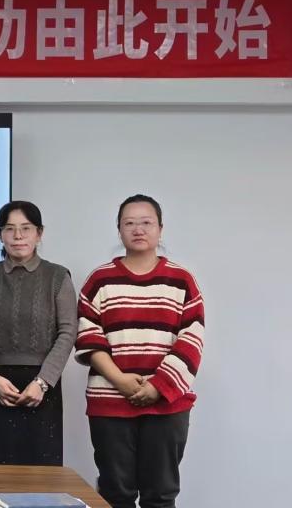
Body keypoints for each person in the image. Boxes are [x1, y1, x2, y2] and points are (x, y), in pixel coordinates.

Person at [75, 194, 204, 508]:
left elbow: (192, 338)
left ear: (160, 228)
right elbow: (89, 336)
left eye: (146, 222)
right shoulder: (100, 280)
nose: (138, 229)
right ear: (118, 230)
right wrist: (120, 380)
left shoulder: (182, 280)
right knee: (115, 495)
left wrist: (158, 387)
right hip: (110, 402)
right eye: (129, 223)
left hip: (167, 405)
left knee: (160, 495)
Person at [0, 201, 77, 466]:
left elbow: (68, 332)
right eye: (9, 229)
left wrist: (42, 382)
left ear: (39, 233)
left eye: (26, 228)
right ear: (0, 234)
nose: (18, 236)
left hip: (42, 388)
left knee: (40, 474)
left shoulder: (57, 276)